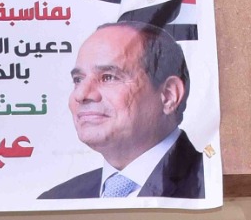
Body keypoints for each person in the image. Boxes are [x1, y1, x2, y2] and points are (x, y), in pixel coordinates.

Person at [40, 21, 205, 200]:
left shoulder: (210, 184)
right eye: (78, 79)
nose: (80, 95)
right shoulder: (56, 200)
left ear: (168, 95)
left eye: (108, 77)